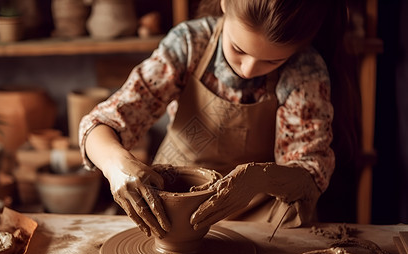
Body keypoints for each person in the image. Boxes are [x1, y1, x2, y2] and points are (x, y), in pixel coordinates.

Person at [79, 0, 360, 238]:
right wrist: (115, 165)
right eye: (239, 49)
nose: (249, 69)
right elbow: (102, 123)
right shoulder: (190, 44)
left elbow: (310, 176)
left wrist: (258, 179)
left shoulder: (304, 70)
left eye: (272, 61)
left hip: (260, 214)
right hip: (175, 207)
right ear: (224, 3)